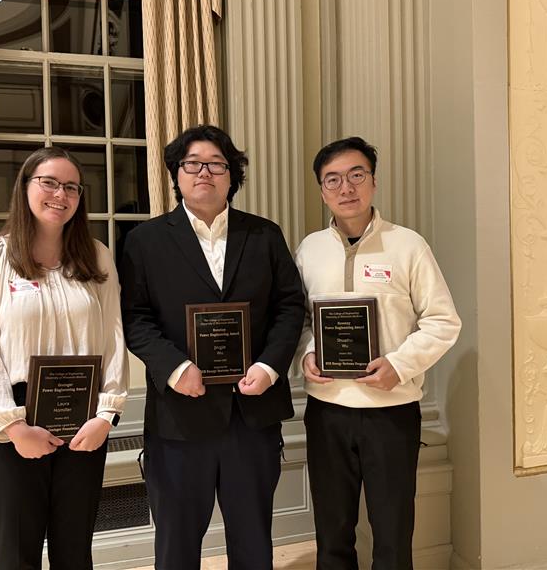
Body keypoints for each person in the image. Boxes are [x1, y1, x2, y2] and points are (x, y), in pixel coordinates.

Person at [120, 125, 304, 570]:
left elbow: (290, 306)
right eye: (193, 164)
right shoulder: (145, 240)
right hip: (180, 416)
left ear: (232, 175)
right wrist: (174, 368)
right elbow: (135, 318)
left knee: (253, 540)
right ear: (176, 174)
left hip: (252, 413)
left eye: (217, 164)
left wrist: (270, 366)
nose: (205, 172)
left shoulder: (264, 234)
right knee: (177, 544)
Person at [295, 137, 461, 570]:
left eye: (356, 175)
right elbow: (301, 321)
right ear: (322, 190)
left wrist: (399, 366)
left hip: (391, 410)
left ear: (373, 181)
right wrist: (309, 354)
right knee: (332, 531)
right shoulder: (309, 249)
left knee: (392, 531)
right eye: (333, 179)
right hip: (327, 410)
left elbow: (443, 321)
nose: (346, 188)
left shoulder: (408, 245)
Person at [0, 147, 128, 570]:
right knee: (17, 552)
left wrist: (106, 415)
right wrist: (13, 426)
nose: (60, 194)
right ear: (25, 187)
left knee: (75, 548)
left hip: (84, 417)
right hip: (16, 418)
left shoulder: (97, 256)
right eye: (49, 183)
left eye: (71, 187)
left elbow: (113, 338)